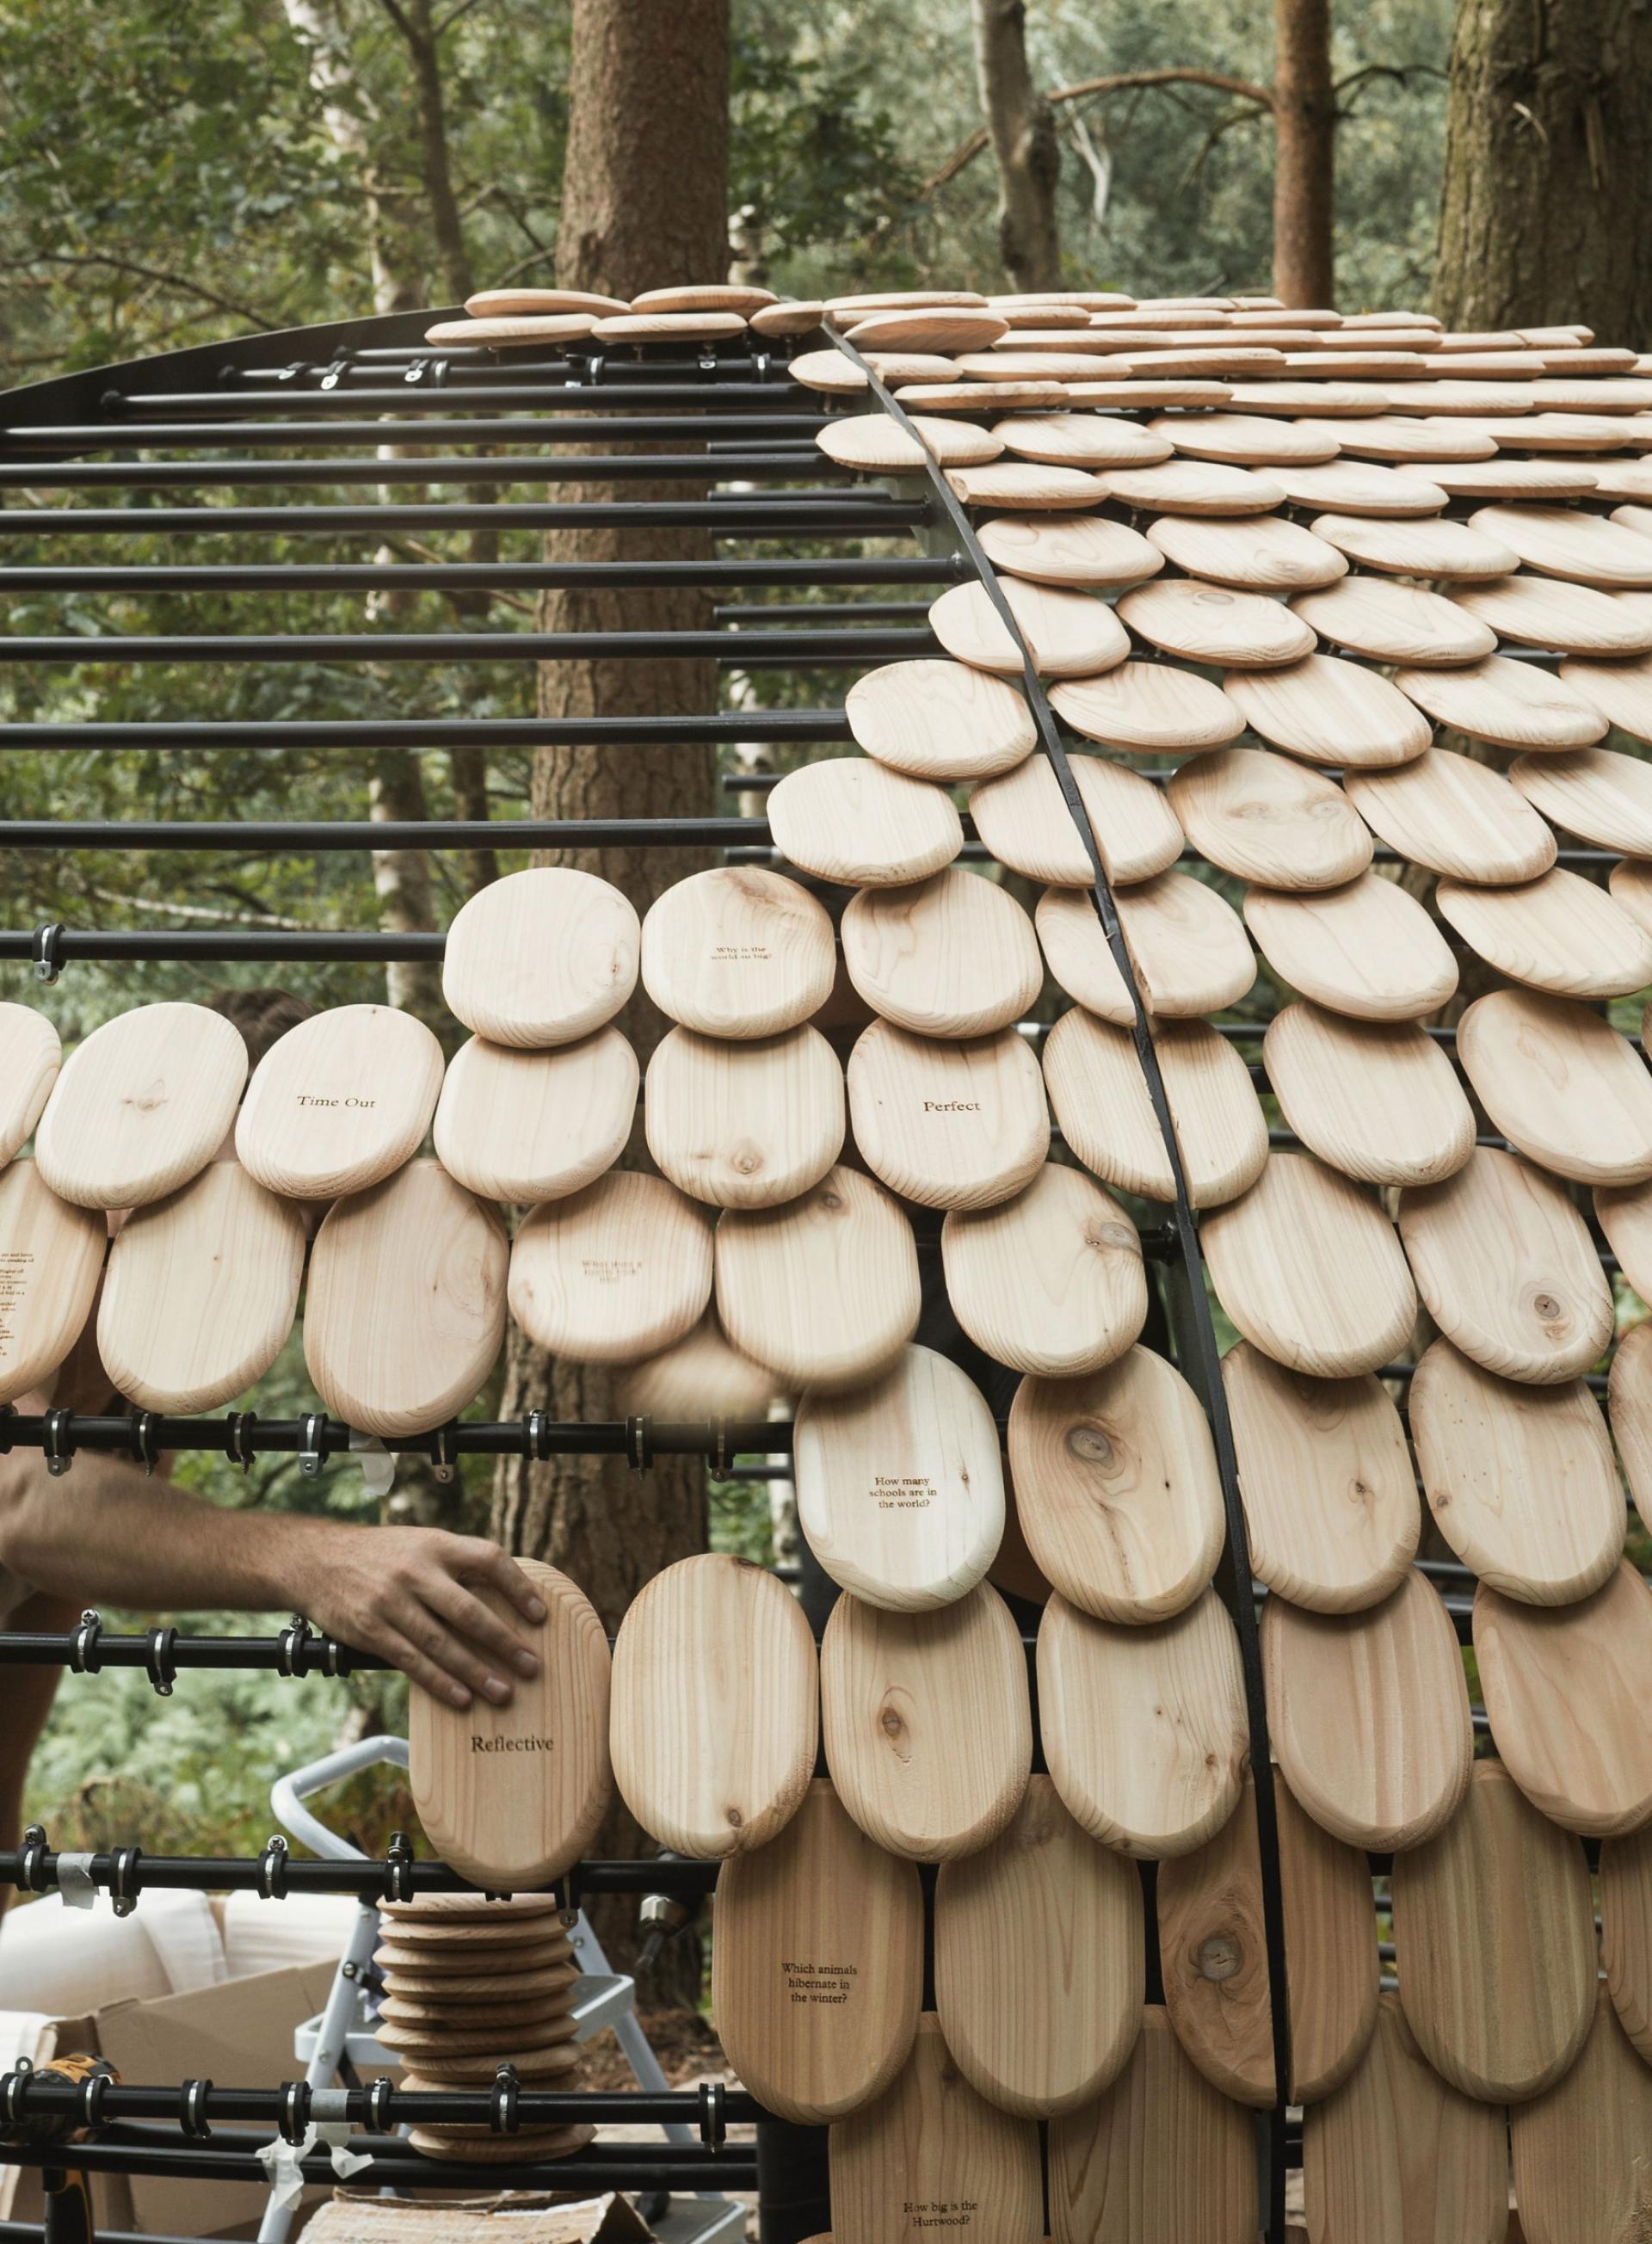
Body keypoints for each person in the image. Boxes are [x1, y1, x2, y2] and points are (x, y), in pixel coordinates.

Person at [0, 987, 545, 1875]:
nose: (242, 1251)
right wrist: (316, 1561)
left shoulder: (139, 1399)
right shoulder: (14, 1279)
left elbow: (36, 1613)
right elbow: (23, 1502)